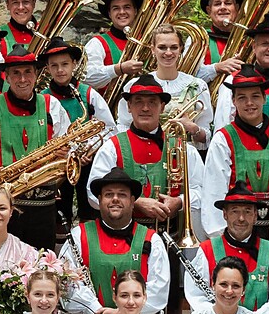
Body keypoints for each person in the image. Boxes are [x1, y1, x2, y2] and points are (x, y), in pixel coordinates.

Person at [0, 45, 81, 248]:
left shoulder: (52, 105)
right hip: (1, 209)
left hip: (43, 207)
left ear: (37, 74)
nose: (22, 79)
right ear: (6, 77)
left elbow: (70, 148)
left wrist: (66, 154)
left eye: (28, 72)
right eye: (16, 73)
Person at [86, 72, 201, 242]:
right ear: (129, 107)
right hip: (125, 239)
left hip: (172, 238)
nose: (145, 108)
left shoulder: (183, 148)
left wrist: (179, 201)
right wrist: (135, 202)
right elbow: (92, 193)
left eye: (152, 102)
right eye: (138, 102)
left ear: (162, 107)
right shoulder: (112, 147)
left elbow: (202, 189)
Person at [59, 169, 171, 314]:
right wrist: (96, 311)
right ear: (99, 200)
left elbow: (159, 292)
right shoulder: (78, 236)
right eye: (109, 194)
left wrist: (120, 313)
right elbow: (66, 287)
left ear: (132, 202)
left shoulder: (152, 240)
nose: (115, 199)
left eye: (122, 194)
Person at [199, 64, 269, 236]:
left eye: (255, 96)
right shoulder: (223, 139)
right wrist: (219, 235)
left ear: (265, 98)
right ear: (233, 101)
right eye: (242, 98)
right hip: (237, 227)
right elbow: (214, 189)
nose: (249, 103)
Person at [182, 188, 269, 314]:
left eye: (247, 212)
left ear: (255, 216)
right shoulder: (206, 250)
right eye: (235, 211)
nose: (241, 218)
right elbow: (196, 297)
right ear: (225, 215)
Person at [116, 25, 212, 147]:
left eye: (174, 47)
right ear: (152, 49)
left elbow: (207, 136)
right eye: (162, 47)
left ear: (181, 49)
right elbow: (123, 125)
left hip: (186, 157)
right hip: (145, 153)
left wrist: (193, 128)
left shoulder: (198, 86)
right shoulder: (135, 85)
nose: (168, 52)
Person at [83, 0, 145, 92]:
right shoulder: (98, 43)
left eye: (127, 7)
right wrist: (119, 69)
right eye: (116, 8)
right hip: (108, 108)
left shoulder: (146, 42)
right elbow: (87, 77)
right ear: (110, 14)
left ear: (135, 11)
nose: (122, 12)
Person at [195, 0, 248, 84]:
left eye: (228, 3)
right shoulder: (198, 38)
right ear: (209, 10)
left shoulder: (250, 39)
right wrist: (217, 68)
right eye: (217, 4)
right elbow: (186, 75)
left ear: (237, 8)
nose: (222, 7)